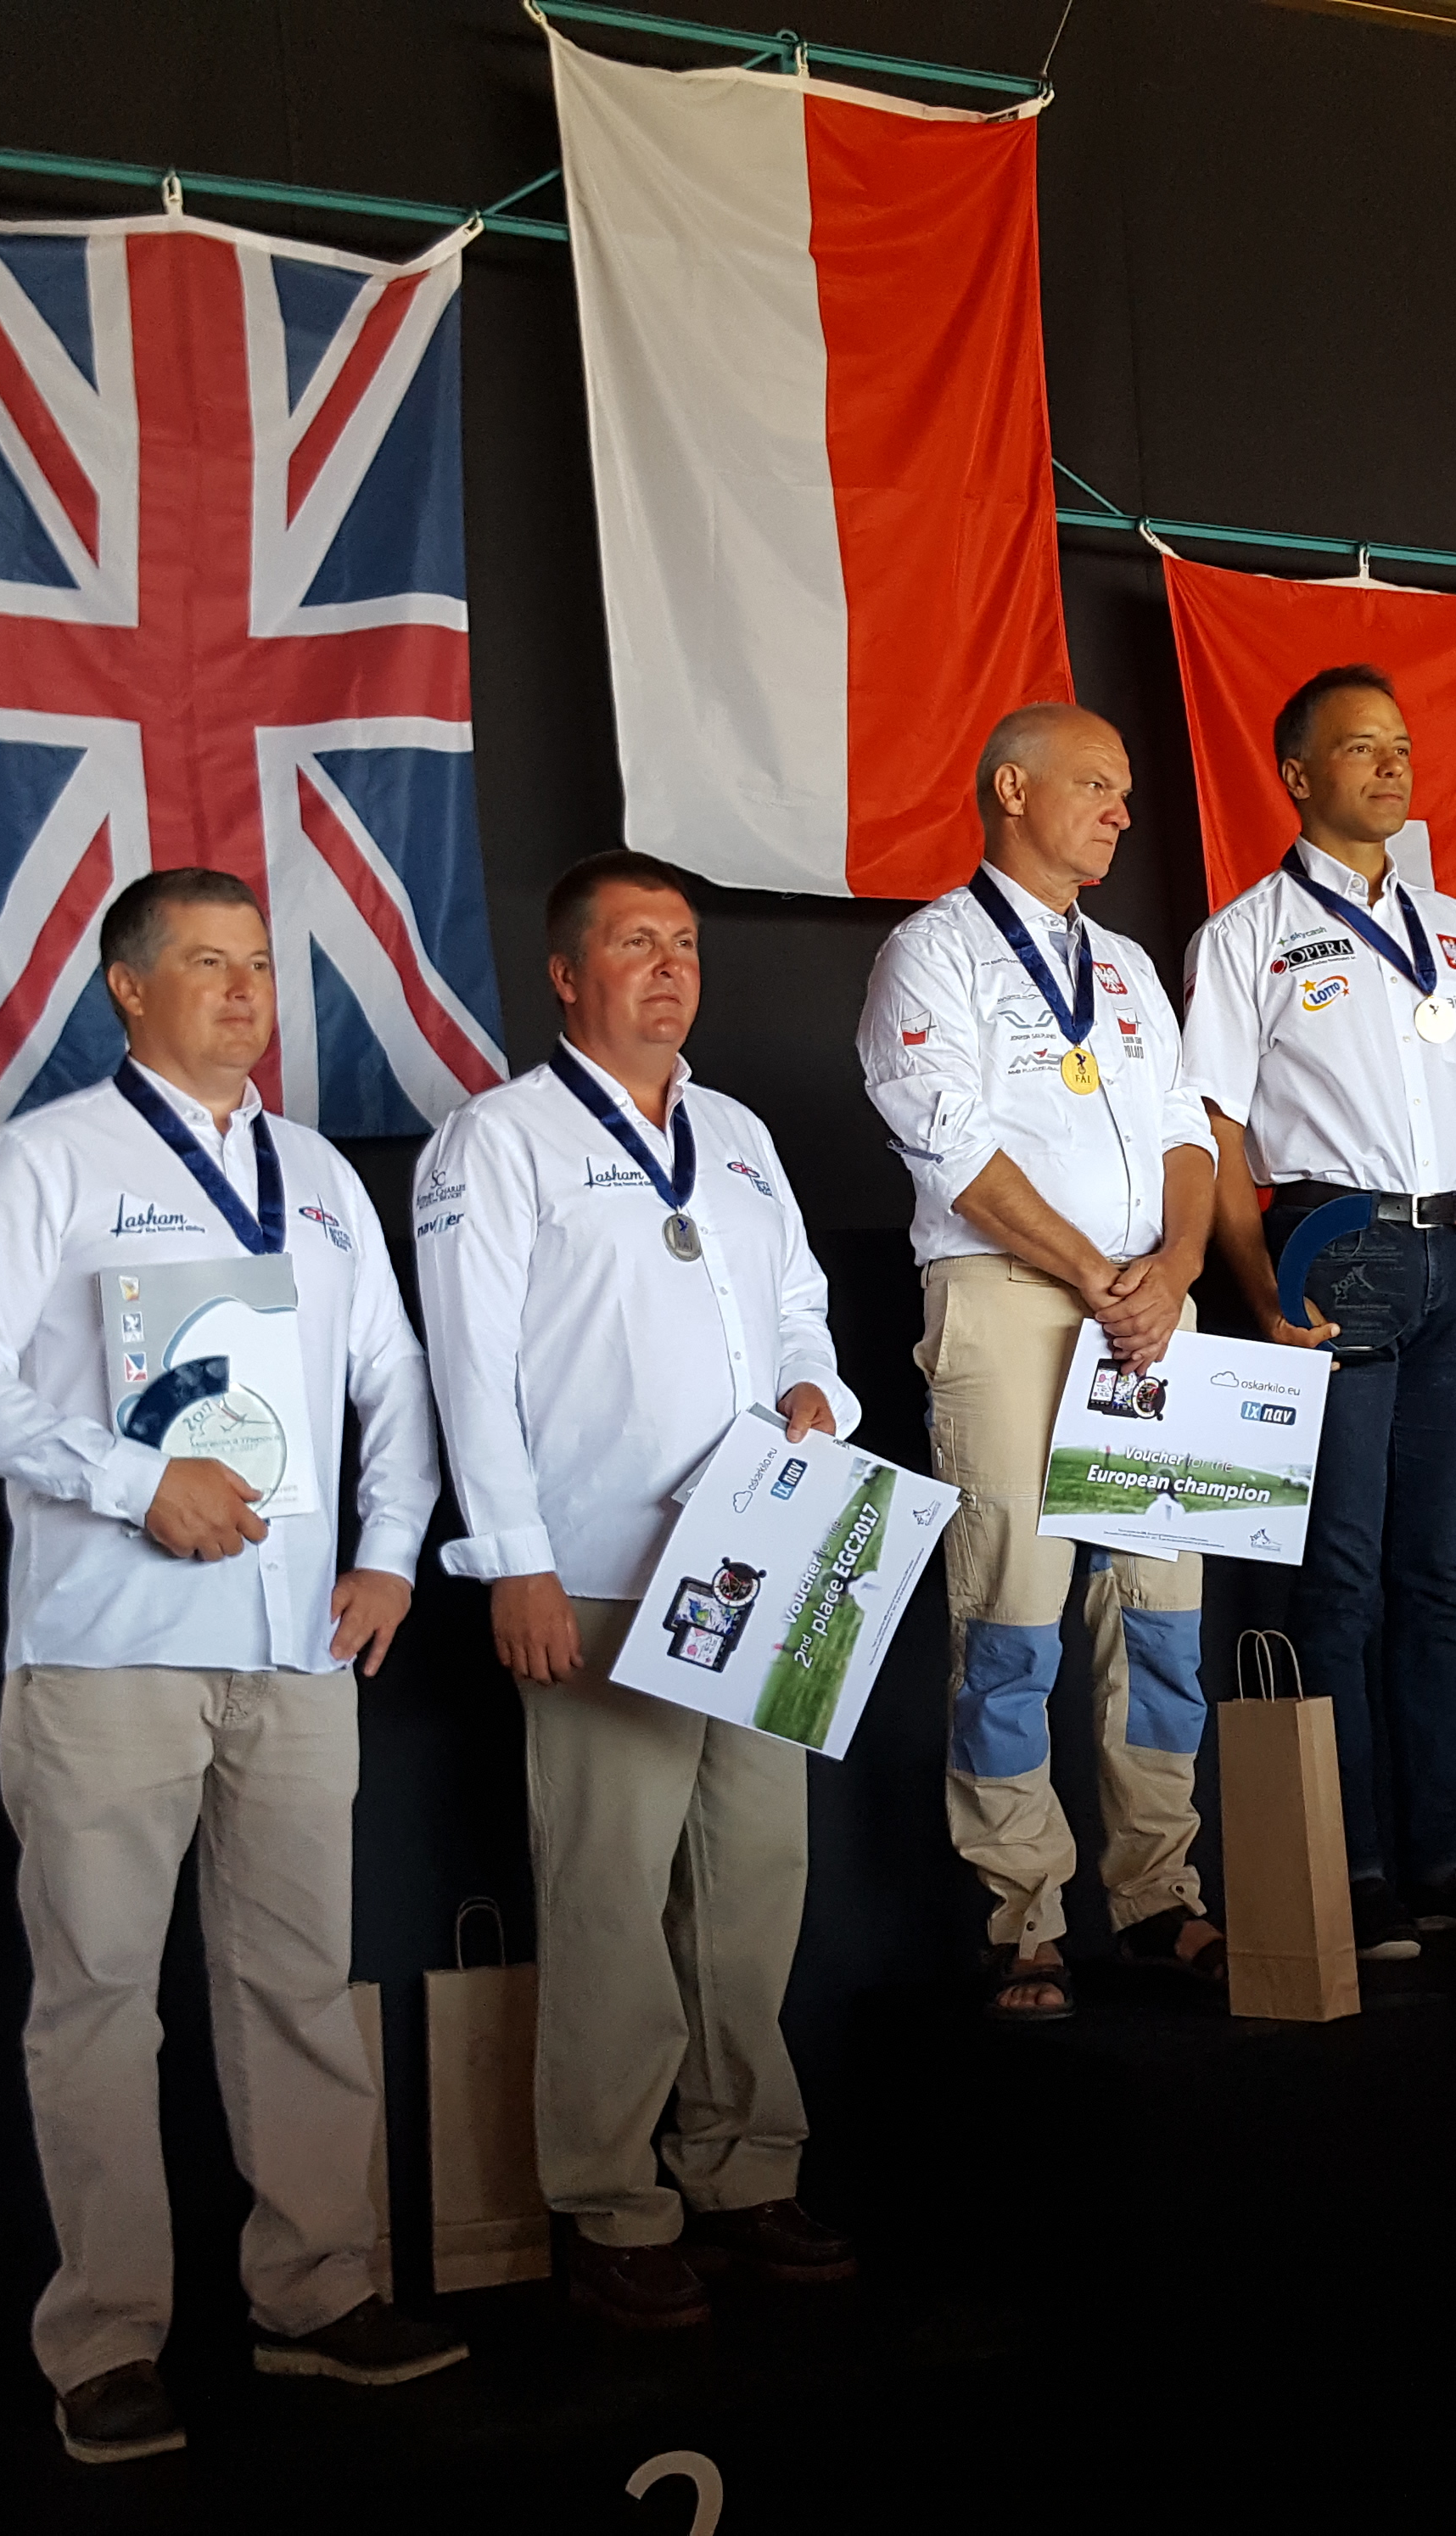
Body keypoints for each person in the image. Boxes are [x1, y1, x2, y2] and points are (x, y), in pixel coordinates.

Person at [0, 867, 464, 2464]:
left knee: (299, 1983)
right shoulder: (48, 1159)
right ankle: (103, 2342)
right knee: (96, 1996)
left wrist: (389, 1548)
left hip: (298, 1646)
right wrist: (128, 1475)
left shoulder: (320, 1177)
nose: (242, 990)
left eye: (258, 965)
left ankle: (317, 2294)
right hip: (108, 1647)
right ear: (128, 989)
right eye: (206, 964)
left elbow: (391, 1374)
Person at [412, 850, 862, 2331]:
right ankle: (611, 2201)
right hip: (600, 1570)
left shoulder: (735, 1133)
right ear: (565, 973)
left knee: (754, 1878)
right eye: (634, 944)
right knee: (610, 1892)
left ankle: (743, 2166)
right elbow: (468, 1368)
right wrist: (514, 1559)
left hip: (757, 1553)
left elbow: (798, 1300)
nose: (669, 969)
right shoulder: (498, 1141)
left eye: (684, 944)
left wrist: (817, 1385)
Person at [1181, 665, 1456, 1954]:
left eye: (1400, 745)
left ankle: (1444, 1861)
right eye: (1361, 748)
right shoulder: (1244, 934)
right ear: (1297, 776)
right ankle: (1351, 1874)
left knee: (1441, 1576)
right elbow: (1216, 1127)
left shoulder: (1449, 926)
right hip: (1330, 1243)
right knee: (1337, 1576)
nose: (1392, 766)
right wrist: (1256, 1283)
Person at [860, 704, 1224, 2020]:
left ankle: (1160, 1892)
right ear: (1013, 790)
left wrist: (1175, 1267)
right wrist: (1093, 1271)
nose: (1123, 811)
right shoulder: (931, 952)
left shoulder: (1123, 963)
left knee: (1162, 1615)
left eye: (1124, 791)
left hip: (1149, 1307)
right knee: (1013, 1615)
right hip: (1010, 1300)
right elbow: (947, 1141)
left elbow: (1187, 1131)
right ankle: (1024, 1913)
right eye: (1097, 786)